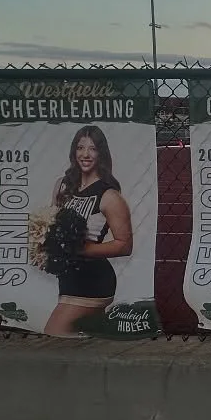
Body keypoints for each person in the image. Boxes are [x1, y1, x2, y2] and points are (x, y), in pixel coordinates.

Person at [44, 125, 132, 337]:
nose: (85, 154)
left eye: (92, 148)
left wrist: (78, 250)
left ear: (101, 153)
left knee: (54, 333)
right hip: (67, 279)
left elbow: (124, 245)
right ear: (74, 151)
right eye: (80, 147)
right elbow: (51, 226)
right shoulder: (62, 186)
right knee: (77, 342)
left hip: (93, 280)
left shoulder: (109, 195)